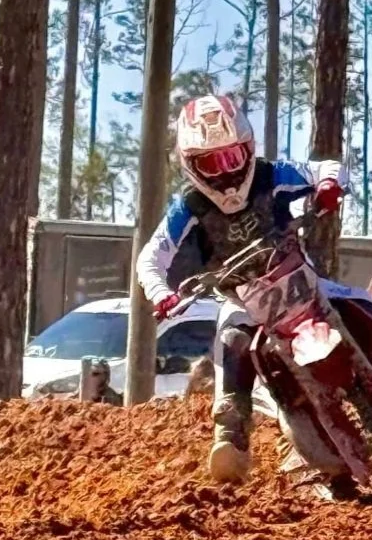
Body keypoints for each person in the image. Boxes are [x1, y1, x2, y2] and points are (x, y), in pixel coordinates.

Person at [135, 93, 349, 484]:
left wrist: (329, 184)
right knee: (231, 340)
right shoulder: (190, 207)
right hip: (242, 298)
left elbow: (325, 167)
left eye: (232, 158)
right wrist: (160, 293)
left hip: (303, 281)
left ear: (248, 150)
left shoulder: (272, 175)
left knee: (366, 306)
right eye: (210, 163)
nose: (226, 174)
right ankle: (230, 436)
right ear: (190, 165)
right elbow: (151, 257)